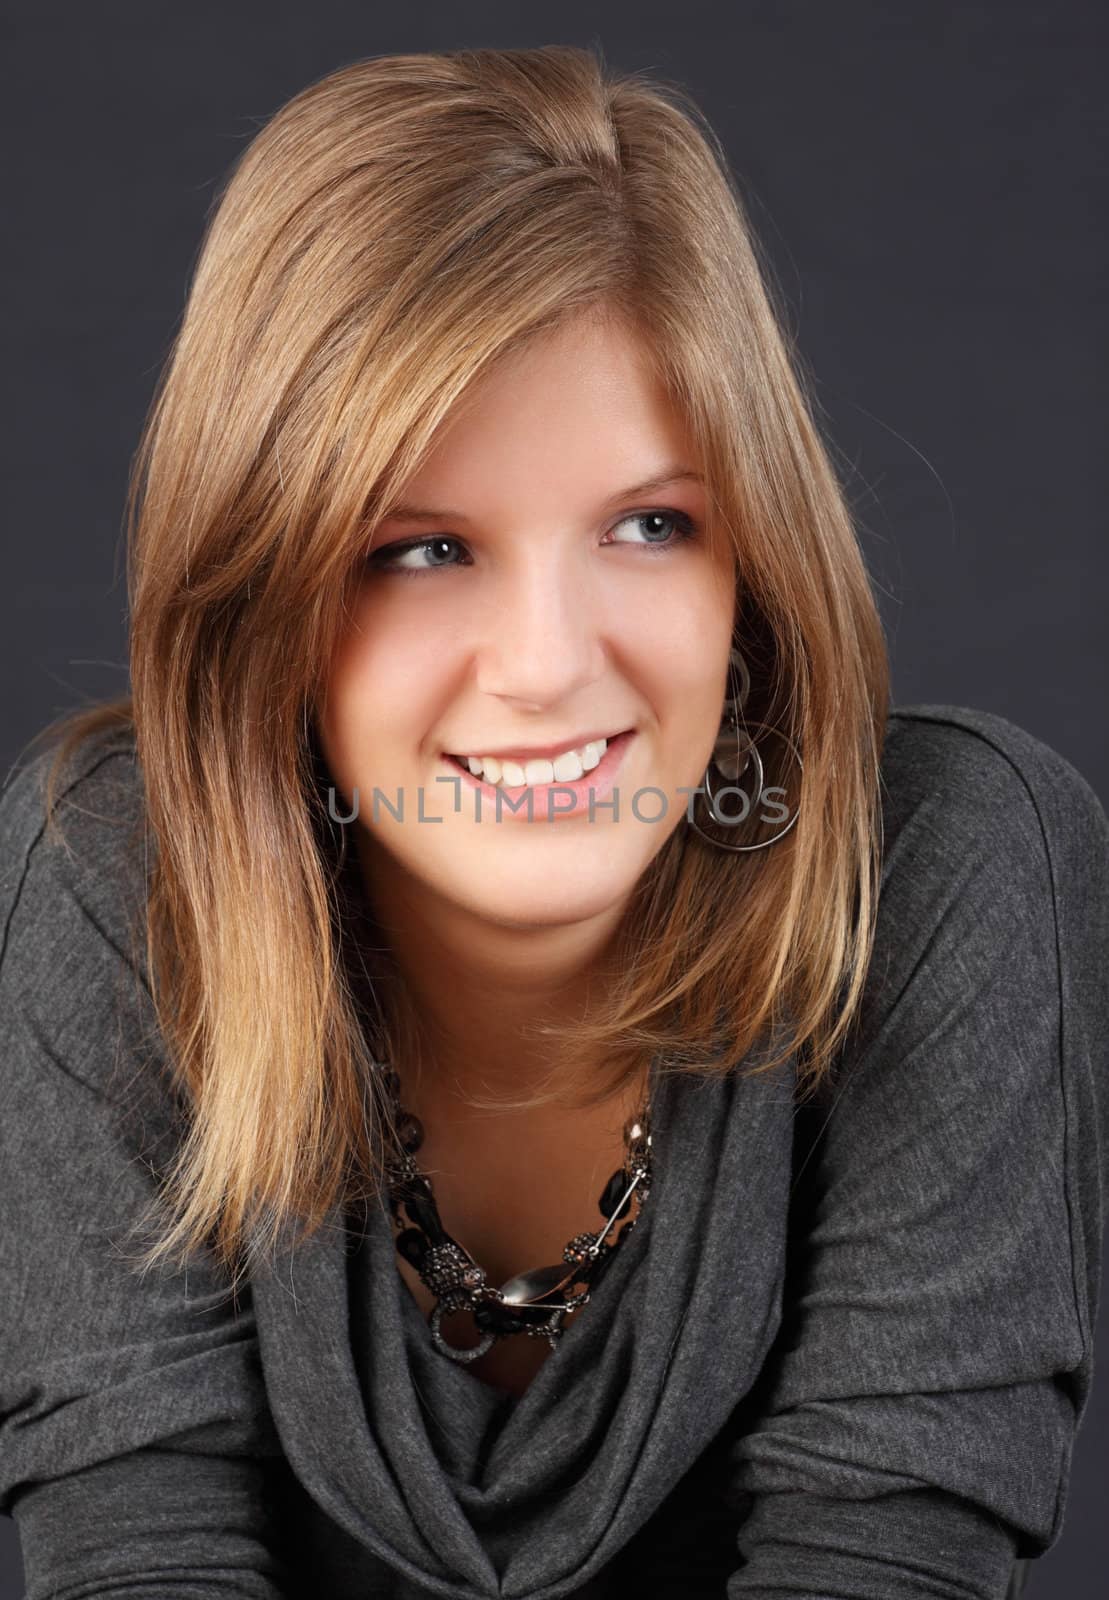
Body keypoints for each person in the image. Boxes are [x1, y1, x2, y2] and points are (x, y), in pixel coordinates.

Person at [1, 43, 1106, 1600]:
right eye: (419, 547)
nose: (547, 665)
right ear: (258, 598)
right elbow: (130, 1550)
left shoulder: (941, 871)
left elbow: (883, 1556)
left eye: (651, 526)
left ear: (754, 568)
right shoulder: (114, 880)